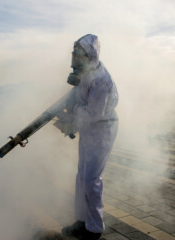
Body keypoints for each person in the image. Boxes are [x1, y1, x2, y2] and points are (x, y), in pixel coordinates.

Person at [61, 34, 119, 240]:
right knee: (81, 176)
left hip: (102, 129)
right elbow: (77, 98)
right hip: (89, 129)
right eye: (74, 55)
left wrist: (71, 117)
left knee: (91, 179)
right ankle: (81, 221)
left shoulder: (102, 79)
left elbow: (94, 113)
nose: (76, 60)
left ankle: (94, 230)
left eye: (80, 56)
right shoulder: (86, 73)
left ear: (91, 56)